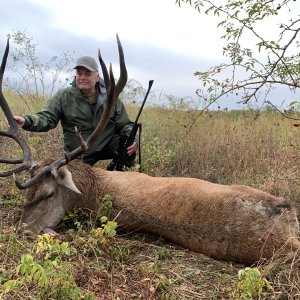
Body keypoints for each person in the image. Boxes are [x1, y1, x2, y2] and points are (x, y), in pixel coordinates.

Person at [13, 56, 138, 167]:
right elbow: (46, 118)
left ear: (97, 77)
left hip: (105, 144)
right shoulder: (64, 96)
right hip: (79, 153)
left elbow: (126, 125)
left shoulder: (111, 98)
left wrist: (134, 140)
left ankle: (120, 173)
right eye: (79, 73)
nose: (82, 77)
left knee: (127, 145)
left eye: (87, 74)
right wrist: (26, 121)